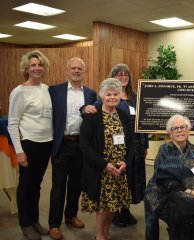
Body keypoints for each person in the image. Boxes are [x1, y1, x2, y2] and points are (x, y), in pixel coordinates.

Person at [84, 63, 149, 227]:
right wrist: (84, 108)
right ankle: (116, 214)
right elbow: (92, 111)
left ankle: (125, 209)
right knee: (116, 179)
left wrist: (145, 144)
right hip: (109, 151)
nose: (123, 76)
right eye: (119, 74)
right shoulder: (104, 100)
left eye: (125, 74)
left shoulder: (135, 97)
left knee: (131, 179)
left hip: (135, 145)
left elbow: (144, 121)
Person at [144, 114, 194, 240]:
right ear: (170, 134)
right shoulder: (165, 151)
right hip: (167, 194)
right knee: (182, 215)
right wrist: (193, 193)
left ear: (188, 130)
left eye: (183, 127)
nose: (179, 131)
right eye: (175, 128)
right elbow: (165, 182)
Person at [48, 57, 97, 240]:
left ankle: (70, 216)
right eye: (73, 68)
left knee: (76, 184)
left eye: (80, 69)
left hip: (81, 146)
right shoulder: (55, 91)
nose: (76, 71)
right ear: (67, 70)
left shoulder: (91, 94)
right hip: (62, 144)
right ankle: (54, 224)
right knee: (58, 186)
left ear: (84, 71)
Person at [79, 78, 134, 240]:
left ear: (120, 96)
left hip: (119, 170)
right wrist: (104, 164)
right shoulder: (92, 116)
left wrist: (126, 162)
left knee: (113, 205)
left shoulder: (123, 115)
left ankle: (106, 233)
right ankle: (99, 236)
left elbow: (131, 144)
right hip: (101, 170)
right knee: (103, 206)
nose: (112, 97)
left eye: (115, 94)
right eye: (108, 94)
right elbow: (85, 146)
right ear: (102, 96)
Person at [7, 50, 53, 240]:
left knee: (37, 185)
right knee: (26, 185)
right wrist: (19, 151)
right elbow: (12, 123)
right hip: (29, 144)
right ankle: (25, 223)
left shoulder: (46, 89)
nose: (37, 68)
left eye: (40, 64)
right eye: (33, 65)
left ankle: (34, 221)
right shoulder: (19, 91)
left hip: (46, 143)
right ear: (26, 68)